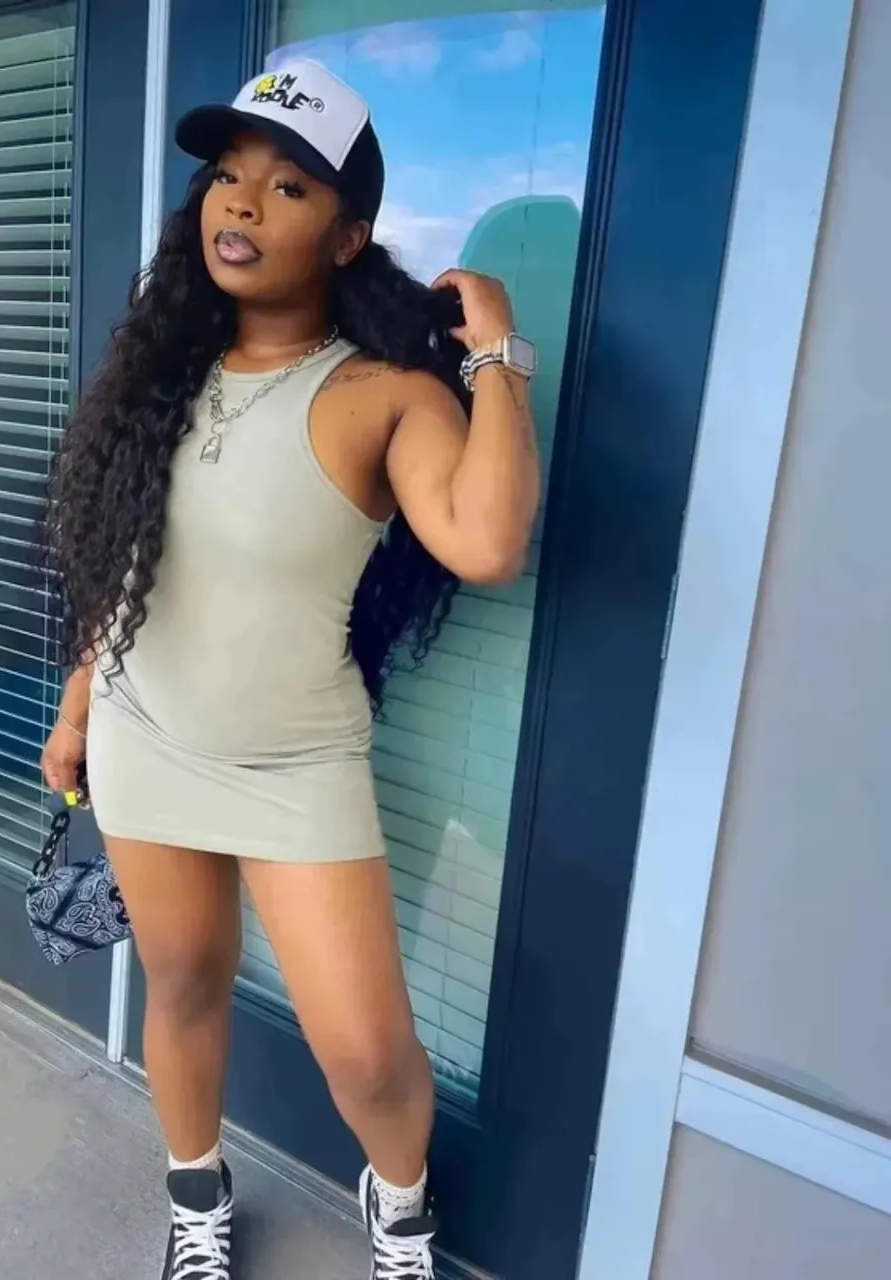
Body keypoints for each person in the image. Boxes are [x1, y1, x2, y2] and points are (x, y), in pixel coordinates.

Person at [41, 59, 540, 1280]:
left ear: (349, 233)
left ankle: (400, 1207)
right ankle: (196, 1197)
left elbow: (484, 542)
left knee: (364, 1048)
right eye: (228, 176)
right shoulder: (159, 380)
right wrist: (75, 707)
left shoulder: (387, 394)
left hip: (295, 765)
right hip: (143, 738)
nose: (242, 202)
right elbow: (121, 568)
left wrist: (497, 355)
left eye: (288, 186)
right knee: (181, 980)